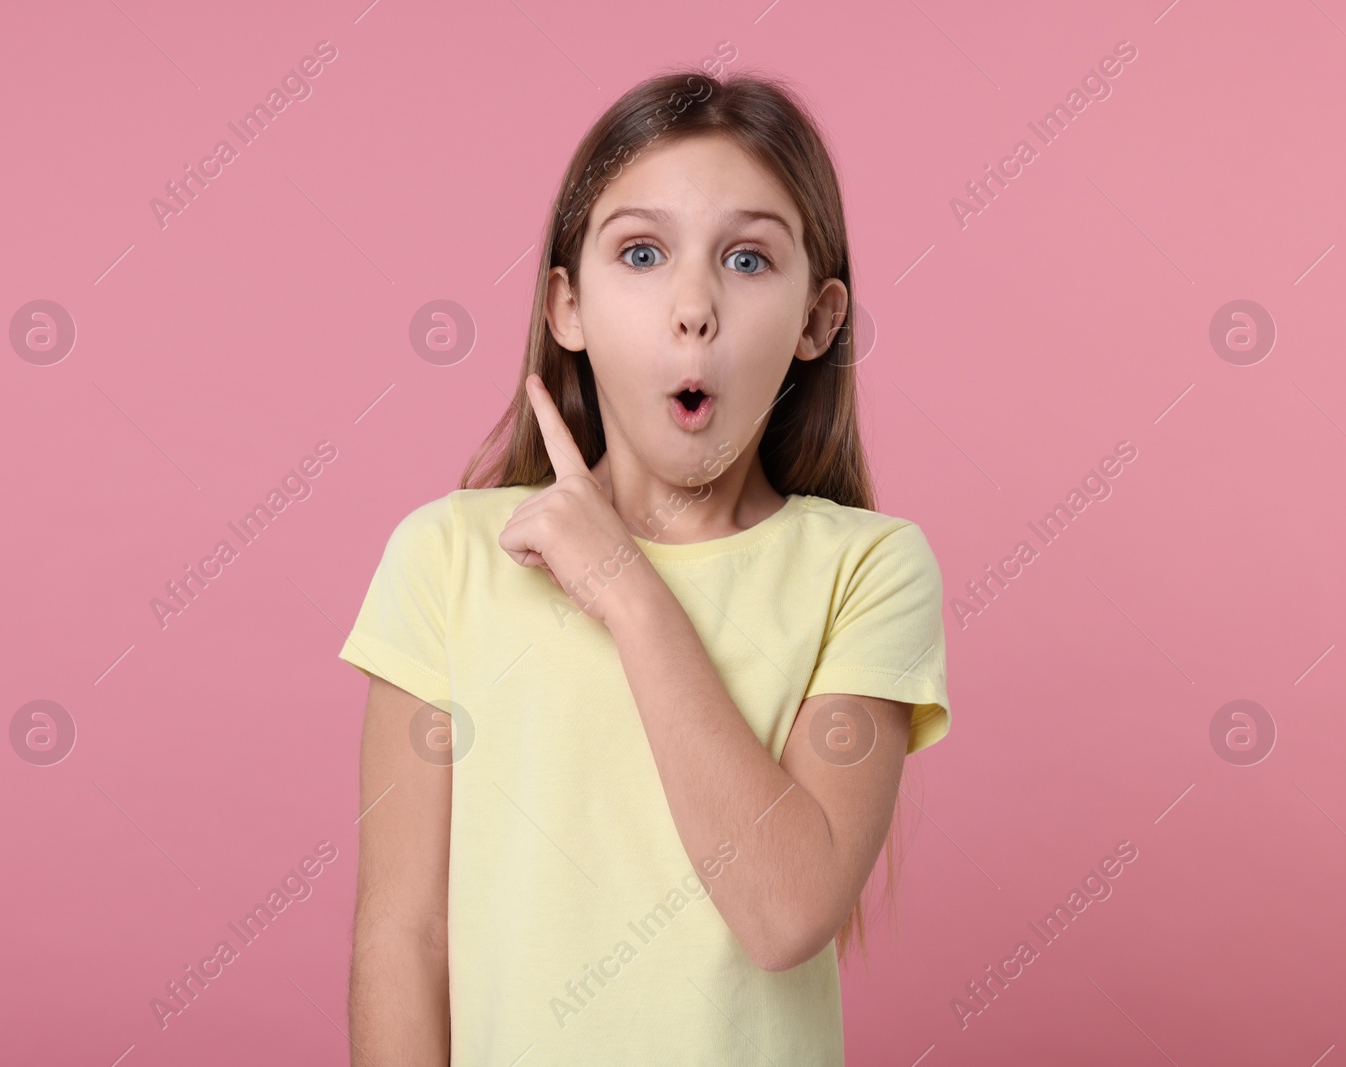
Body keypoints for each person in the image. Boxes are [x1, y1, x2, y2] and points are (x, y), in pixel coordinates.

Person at [338, 67, 951, 1066]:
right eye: (640, 252)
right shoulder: (448, 557)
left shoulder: (871, 570)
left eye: (748, 259)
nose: (694, 306)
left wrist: (621, 581)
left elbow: (785, 909)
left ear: (817, 320)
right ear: (566, 307)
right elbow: (403, 937)